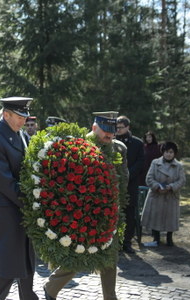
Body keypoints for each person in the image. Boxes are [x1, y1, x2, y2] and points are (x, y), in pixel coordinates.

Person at [44, 111, 128, 300]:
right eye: (105, 131)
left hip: (110, 211)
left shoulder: (119, 148)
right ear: (94, 127)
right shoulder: (80, 145)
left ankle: (110, 297)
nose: (109, 136)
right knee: (80, 254)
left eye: (112, 132)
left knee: (110, 257)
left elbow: (124, 177)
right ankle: (51, 287)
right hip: (85, 212)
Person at [0, 97, 37, 300]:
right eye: (20, 116)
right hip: (6, 213)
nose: (24, 120)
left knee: (27, 268)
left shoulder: (20, 135)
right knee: (6, 274)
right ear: (6, 115)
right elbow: (5, 183)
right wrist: (33, 202)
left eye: (25, 116)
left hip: (21, 211)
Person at [141, 141, 186, 247]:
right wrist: (157, 186)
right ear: (162, 152)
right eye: (166, 152)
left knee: (170, 218)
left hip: (171, 195)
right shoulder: (155, 163)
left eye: (171, 152)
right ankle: (156, 238)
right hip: (157, 194)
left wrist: (171, 187)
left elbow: (182, 180)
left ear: (174, 153)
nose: (168, 154)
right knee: (155, 216)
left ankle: (169, 238)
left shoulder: (179, 165)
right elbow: (149, 178)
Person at [116, 116, 144, 254]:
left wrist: (127, 175)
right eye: (117, 127)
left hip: (130, 184)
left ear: (127, 127)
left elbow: (140, 163)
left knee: (130, 213)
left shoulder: (137, 143)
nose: (118, 130)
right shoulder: (112, 141)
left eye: (120, 127)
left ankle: (127, 242)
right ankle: (115, 242)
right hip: (114, 183)